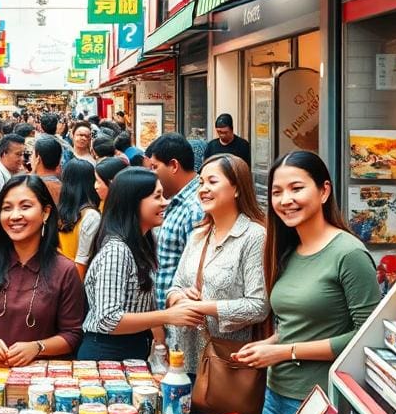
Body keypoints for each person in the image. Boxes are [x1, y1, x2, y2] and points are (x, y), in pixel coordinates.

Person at [232, 152, 381, 414]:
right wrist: (271, 344)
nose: (286, 199)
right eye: (277, 192)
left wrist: (285, 352)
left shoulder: (348, 254)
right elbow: (299, 322)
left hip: (319, 402)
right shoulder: (288, 250)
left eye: (296, 188)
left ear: (324, 191)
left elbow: (367, 337)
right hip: (275, 393)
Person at [0, 175, 85, 365]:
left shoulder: (64, 270)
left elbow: (72, 334)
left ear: (46, 212)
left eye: (25, 207)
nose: (15, 215)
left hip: (38, 378)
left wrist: (38, 347)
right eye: (7, 208)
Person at [79, 169, 204, 361]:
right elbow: (108, 319)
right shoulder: (117, 251)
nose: (165, 202)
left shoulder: (142, 242)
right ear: (133, 202)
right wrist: (167, 316)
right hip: (107, 352)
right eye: (157, 196)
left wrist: (160, 343)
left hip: (131, 349)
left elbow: (145, 305)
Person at [166, 155, 269, 377]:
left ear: (237, 189)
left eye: (212, 182)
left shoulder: (253, 236)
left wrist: (203, 307)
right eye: (201, 182)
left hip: (226, 363)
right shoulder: (198, 234)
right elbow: (174, 287)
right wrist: (180, 298)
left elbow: (258, 306)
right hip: (182, 357)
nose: (204, 189)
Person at [147, 133, 204, 310]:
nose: (152, 174)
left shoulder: (195, 207)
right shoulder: (176, 201)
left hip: (179, 316)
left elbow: (195, 270)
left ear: (173, 165)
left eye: (155, 167)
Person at [56, 158, 103, 280]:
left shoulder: (60, 212)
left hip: (58, 276)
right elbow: (81, 262)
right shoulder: (91, 216)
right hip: (75, 281)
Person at [32, 135, 63, 203]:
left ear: (38, 159)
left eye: (32, 154)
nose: (30, 158)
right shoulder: (63, 187)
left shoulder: (32, 188)